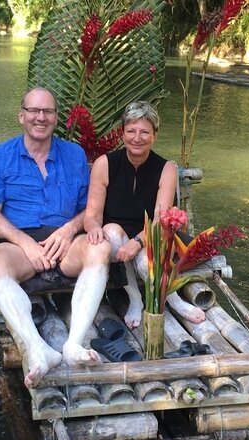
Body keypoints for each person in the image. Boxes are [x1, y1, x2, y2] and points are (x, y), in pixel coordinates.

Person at [0, 87, 111, 388]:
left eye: (48, 111)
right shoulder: (0, 155)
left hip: (65, 240)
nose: (41, 117)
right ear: (21, 115)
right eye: (34, 111)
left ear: (56, 118)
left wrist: (68, 230)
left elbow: (89, 211)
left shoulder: (74, 155)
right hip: (19, 241)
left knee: (100, 247)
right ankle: (37, 348)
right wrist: (25, 244)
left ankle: (74, 344)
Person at [84, 101, 206, 329]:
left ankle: (174, 300)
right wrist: (93, 228)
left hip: (150, 235)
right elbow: (92, 215)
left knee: (143, 260)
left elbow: (161, 219)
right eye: (131, 131)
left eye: (144, 132)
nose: (137, 138)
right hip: (114, 239)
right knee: (110, 233)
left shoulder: (166, 168)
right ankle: (135, 299)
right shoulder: (104, 164)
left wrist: (137, 242)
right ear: (122, 134)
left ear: (155, 135)